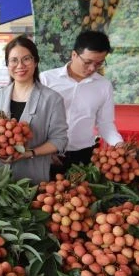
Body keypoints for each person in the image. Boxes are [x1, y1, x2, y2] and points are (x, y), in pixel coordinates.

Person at [0, 35, 68, 184]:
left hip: (34, 179)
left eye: (26, 59)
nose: (20, 65)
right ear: (7, 64)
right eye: (14, 60)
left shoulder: (52, 99)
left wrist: (29, 153)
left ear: (35, 61)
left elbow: (59, 141)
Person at [40, 31, 123, 175]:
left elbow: (105, 124)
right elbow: (36, 120)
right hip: (49, 153)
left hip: (83, 155)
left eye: (99, 63)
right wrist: (43, 150)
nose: (92, 68)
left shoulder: (104, 86)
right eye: (88, 62)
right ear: (74, 55)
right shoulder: (47, 79)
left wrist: (119, 144)